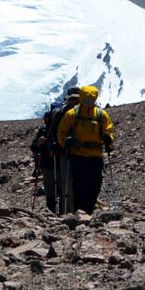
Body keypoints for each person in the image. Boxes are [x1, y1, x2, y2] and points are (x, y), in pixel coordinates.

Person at [55, 84, 114, 214]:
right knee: (79, 187)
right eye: (87, 100)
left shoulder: (101, 115)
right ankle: (80, 212)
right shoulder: (72, 114)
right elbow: (61, 132)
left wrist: (108, 138)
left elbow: (108, 129)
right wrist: (65, 141)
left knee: (94, 187)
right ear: (82, 99)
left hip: (95, 157)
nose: (89, 103)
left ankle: (88, 211)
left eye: (91, 100)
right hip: (78, 156)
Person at [45, 87, 80, 213]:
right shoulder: (61, 113)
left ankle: (78, 210)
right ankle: (69, 212)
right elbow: (51, 134)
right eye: (73, 99)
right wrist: (54, 146)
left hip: (81, 152)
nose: (75, 101)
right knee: (69, 184)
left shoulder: (87, 111)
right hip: (66, 152)